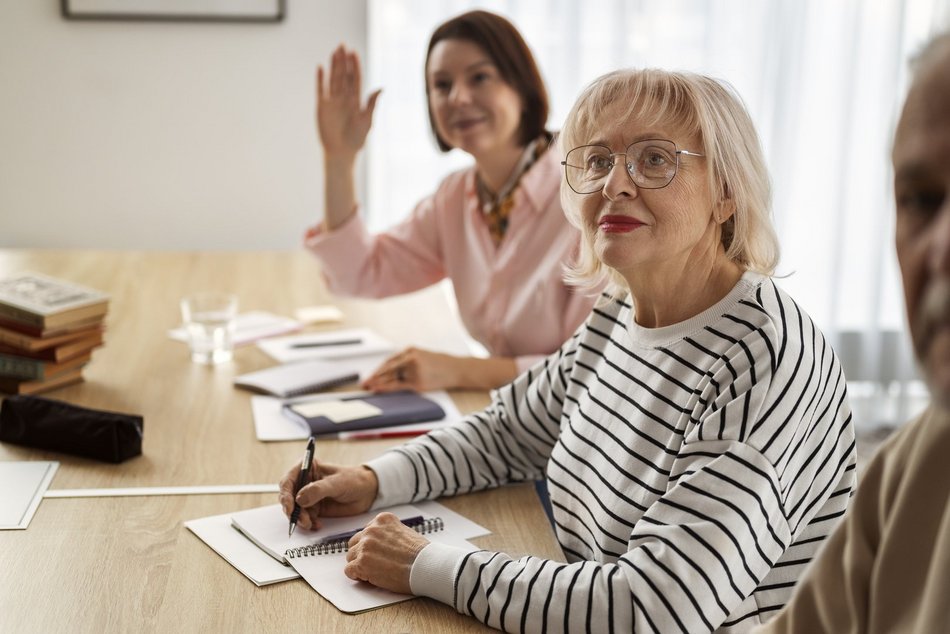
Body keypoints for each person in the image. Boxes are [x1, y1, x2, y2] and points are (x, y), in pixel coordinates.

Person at [280, 68, 857, 632]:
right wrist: (375, 479)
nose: (615, 184)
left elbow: (655, 608)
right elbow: (511, 432)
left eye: (654, 159)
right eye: (598, 160)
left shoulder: (764, 359)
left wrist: (425, 564)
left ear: (728, 193)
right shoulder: (619, 309)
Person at [752, 32, 950, 634]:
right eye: (920, 200)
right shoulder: (920, 461)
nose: (940, 248)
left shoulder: (760, 340)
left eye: (655, 161)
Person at [305, 10, 596, 393]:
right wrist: (339, 160)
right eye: (441, 85)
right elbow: (360, 272)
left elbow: (595, 367)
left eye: (479, 77)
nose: (458, 98)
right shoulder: (455, 199)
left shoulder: (589, 194)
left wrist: (461, 372)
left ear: (521, 86)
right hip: (507, 416)